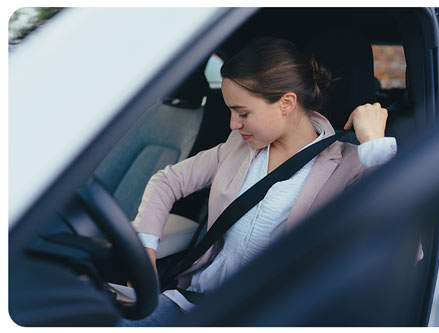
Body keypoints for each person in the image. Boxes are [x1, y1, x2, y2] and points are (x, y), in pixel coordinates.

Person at [115, 37, 396, 326]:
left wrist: (375, 145)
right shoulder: (238, 145)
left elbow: (402, 244)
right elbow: (167, 180)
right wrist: (144, 256)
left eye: (243, 113)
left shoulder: (350, 164)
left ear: (286, 103)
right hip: (195, 302)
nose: (233, 124)